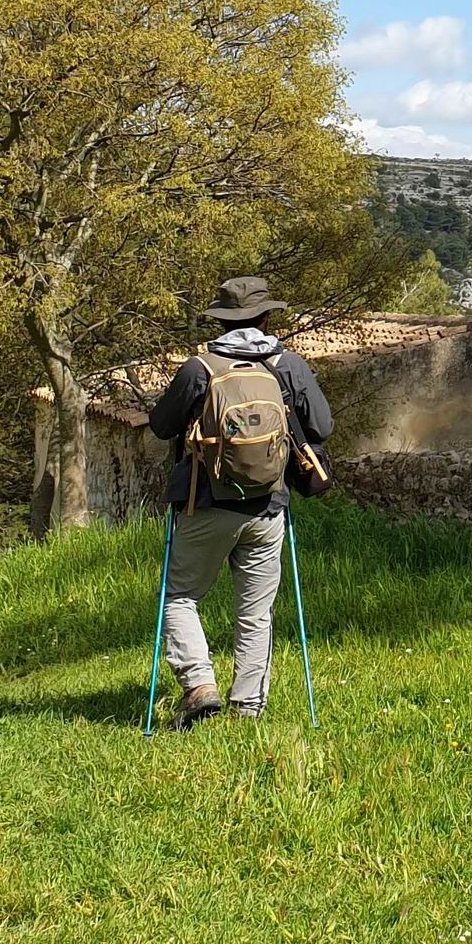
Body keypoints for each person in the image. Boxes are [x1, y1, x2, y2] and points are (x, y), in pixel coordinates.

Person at [146, 276, 334, 727]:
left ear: (223, 319)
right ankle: (247, 709)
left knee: (179, 597)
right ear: (266, 316)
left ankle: (199, 686)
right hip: (269, 506)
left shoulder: (200, 368)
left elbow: (160, 425)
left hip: (205, 504)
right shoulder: (287, 364)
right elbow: (322, 428)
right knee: (255, 612)